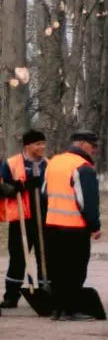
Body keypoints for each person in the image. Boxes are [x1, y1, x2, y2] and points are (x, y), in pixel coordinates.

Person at [41, 129, 103, 321]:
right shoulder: (82, 167)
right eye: (93, 146)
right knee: (75, 271)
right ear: (83, 144)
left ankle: (57, 309)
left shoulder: (54, 163)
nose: (94, 150)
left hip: (52, 226)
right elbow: (87, 201)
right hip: (74, 228)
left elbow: (44, 194)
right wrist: (94, 226)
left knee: (57, 270)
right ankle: (70, 310)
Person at [2, 127, 42, 310]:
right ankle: (11, 296)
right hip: (20, 218)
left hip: (43, 218)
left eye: (43, 143)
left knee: (44, 257)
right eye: (38, 144)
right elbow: (3, 187)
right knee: (17, 257)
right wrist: (19, 187)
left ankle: (44, 293)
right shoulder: (11, 163)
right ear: (27, 145)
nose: (42, 147)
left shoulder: (47, 164)